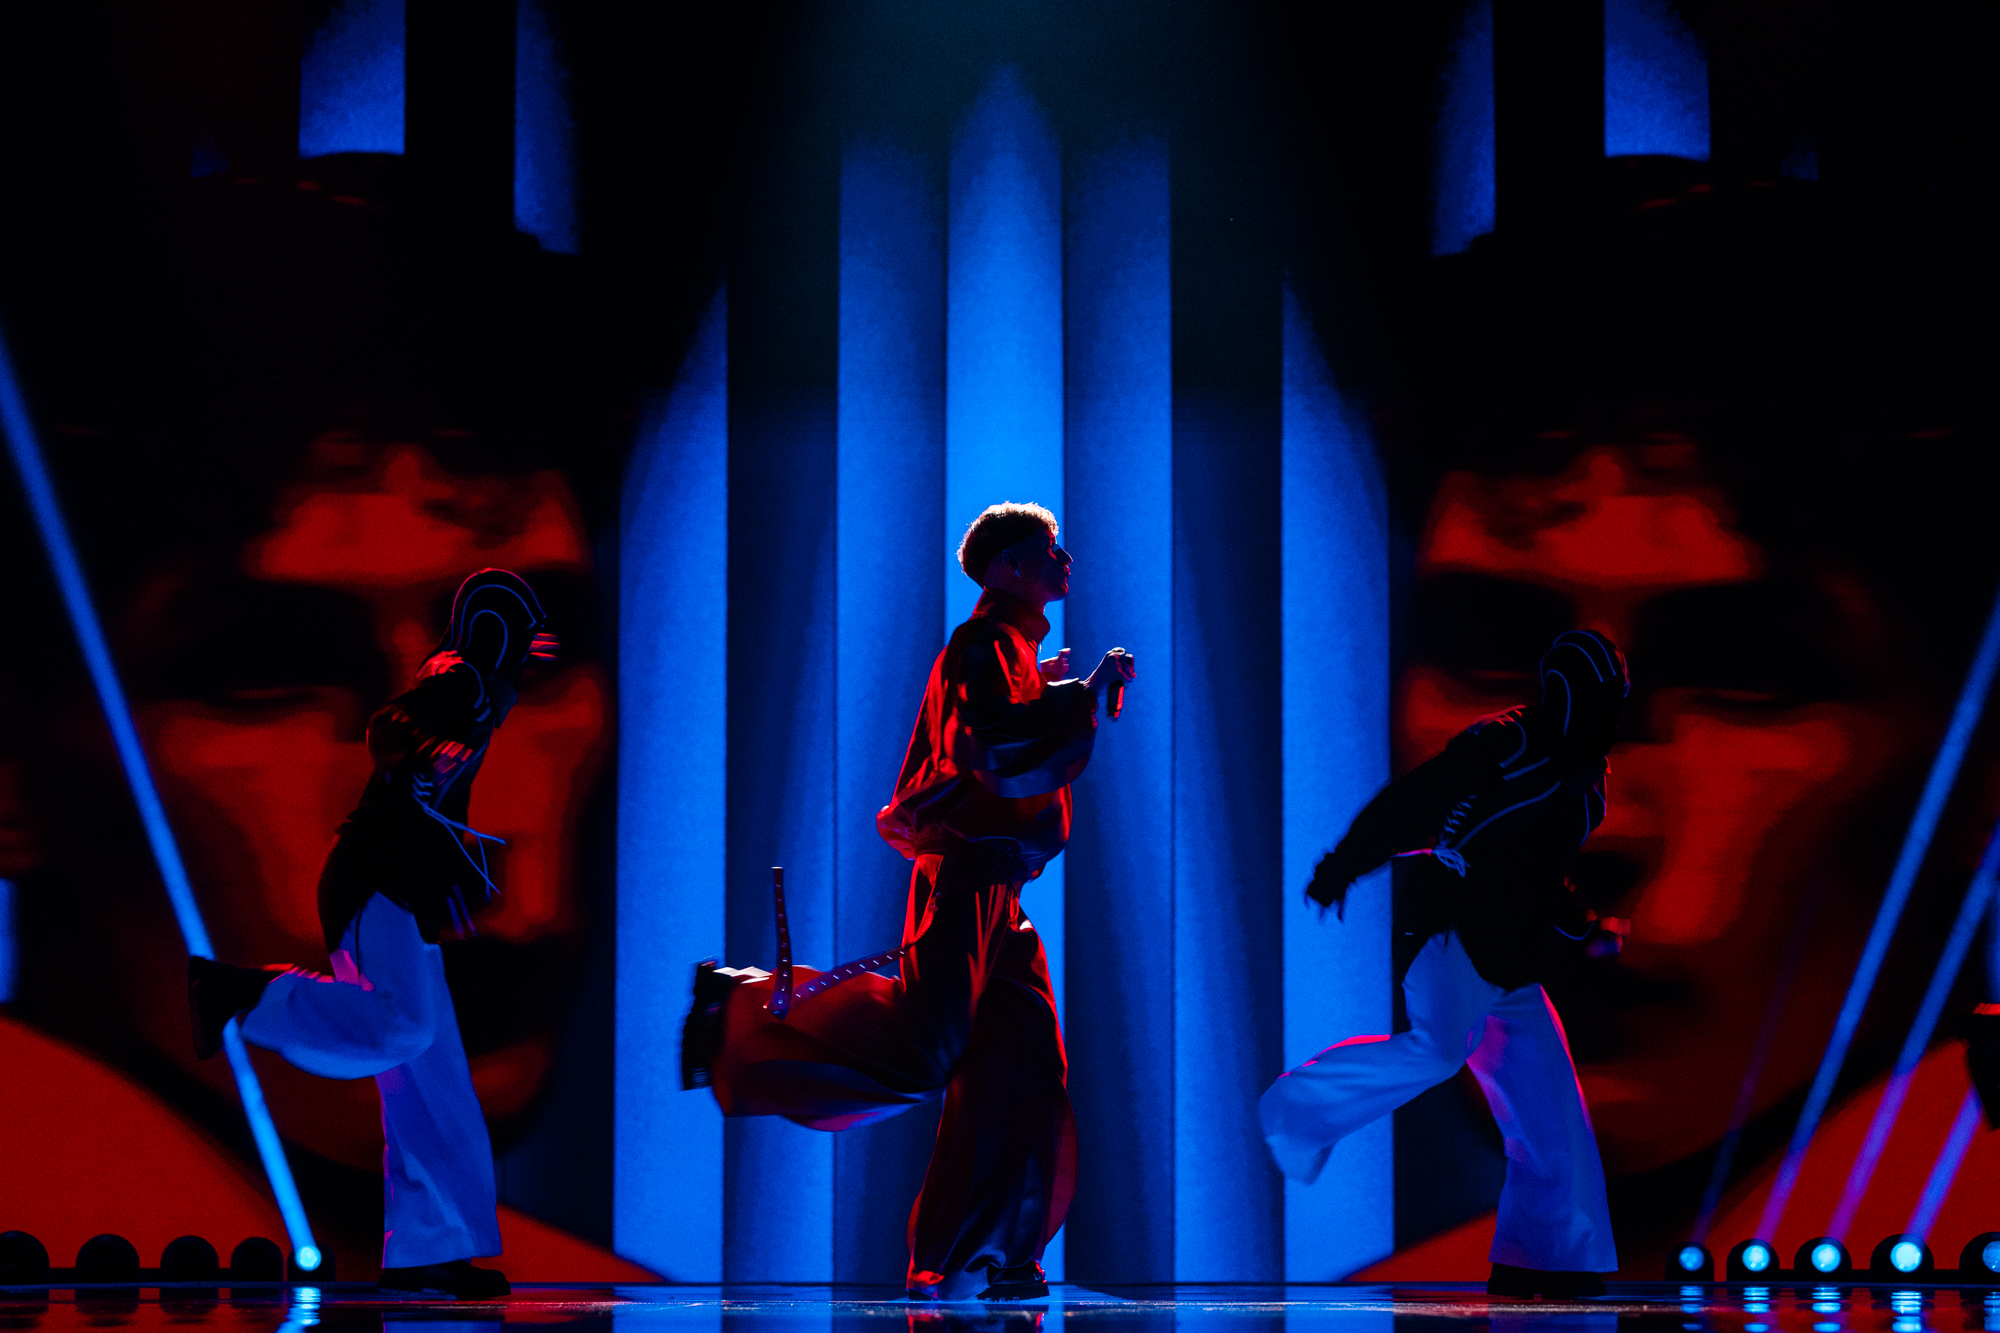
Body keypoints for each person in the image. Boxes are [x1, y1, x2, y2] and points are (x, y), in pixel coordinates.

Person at [682, 502, 1136, 1301]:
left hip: (1000, 887)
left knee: (1025, 1058)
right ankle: (738, 1009)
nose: (1063, 558)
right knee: (925, 1048)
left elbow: (1004, 730)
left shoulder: (1008, 649)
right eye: (1047, 548)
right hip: (966, 871)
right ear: (1008, 567)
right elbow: (992, 744)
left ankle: (990, 1252)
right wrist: (1081, 693)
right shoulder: (980, 644)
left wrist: (1052, 686)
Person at [187, 569, 559, 1299]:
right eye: (524, 637)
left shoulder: (482, 692)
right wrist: (423, 753)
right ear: (499, 632)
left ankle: (430, 1250)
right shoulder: (458, 680)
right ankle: (242, 993)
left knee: (434, 1079)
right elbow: (389, 726)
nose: (530, 654)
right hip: (375, 877)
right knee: (405, 1031)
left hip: (401, 885)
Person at [1262, 630, 1628, 1299]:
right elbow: (1417, 800)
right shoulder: (1509, 742)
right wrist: (1344, 864)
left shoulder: (1587, 783)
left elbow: (1543, 871)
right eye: (1601, 697)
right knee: (1438, 1048)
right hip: (1449, 923)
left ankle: (1541, 1259)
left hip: (1510, 953)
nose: (1609, 713)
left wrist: (1583, 926)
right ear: (1569, 695)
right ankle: (1293, 1110)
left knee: (1550, 1108)